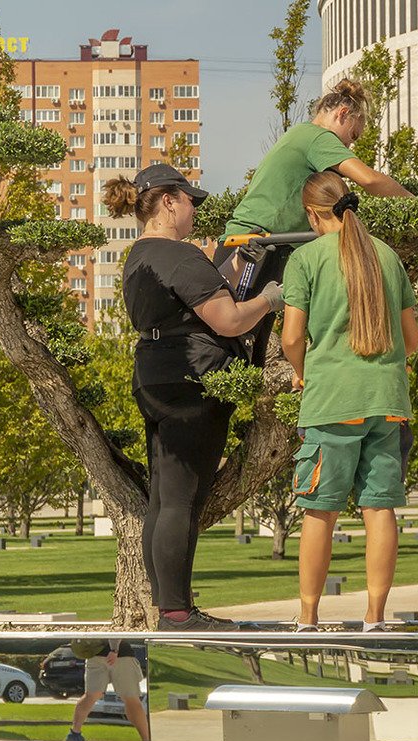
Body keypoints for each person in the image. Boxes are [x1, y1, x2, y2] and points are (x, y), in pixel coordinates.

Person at [103, 164, 283, 632]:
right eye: (189, 201)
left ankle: (167, 606)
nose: (193, 211)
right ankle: (178, 615)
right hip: (196, 379)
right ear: (168, 201)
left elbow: (189, 299)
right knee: (183, 499)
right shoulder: (178, 255)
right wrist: (269, 298)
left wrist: (234, 267)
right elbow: (228, 320)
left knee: (163, 498)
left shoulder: (140, 256)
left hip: (155, 375)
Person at [280, 171, 418, 632]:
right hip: (387, 400)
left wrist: (302, 373)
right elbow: (413, 341)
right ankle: (375, 617)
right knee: (379, 507)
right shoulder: (387, 256)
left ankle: (308, 617)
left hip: (332, 400)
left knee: (320, 509)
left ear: (313, 214)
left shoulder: (305, 259)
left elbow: (293, 336)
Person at [214, 78, 414, 367]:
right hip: (251, 247)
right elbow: (369, 179)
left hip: (269, 247)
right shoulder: (318, 138)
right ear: (342, 114)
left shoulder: (301, 137)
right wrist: (415, 202)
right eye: (353, 135)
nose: (349, 144)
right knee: (230, 349)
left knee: (252, 353)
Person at [64, 640, 150, 741]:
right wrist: (114, 650)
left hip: (94, 654)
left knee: (91, 695)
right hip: (120, 655)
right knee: (131, 698)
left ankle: (74, 733)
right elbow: (115, 628)